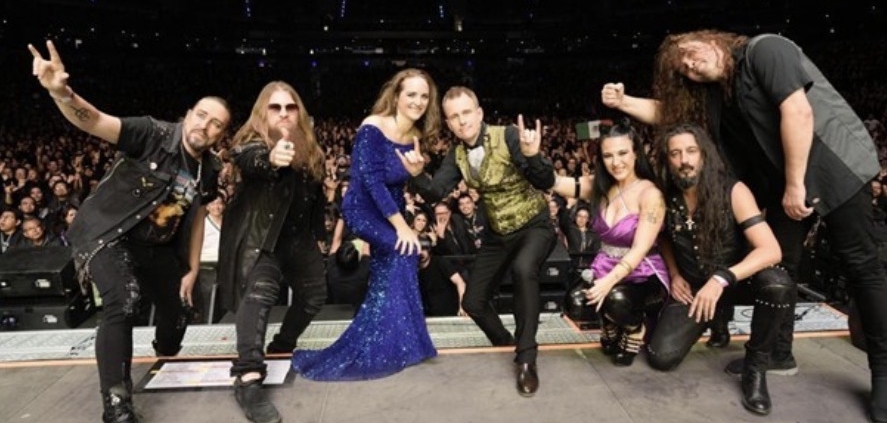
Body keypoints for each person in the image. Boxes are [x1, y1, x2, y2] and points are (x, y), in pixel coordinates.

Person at [601, 29, 887, 421]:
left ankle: (882, 373)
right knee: (781, 269)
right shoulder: (715, 95)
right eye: (683, 68)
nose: (691, 64)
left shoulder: (765, 50)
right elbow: (673, 115)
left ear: (710, 39)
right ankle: (778, 354)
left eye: (691, 52)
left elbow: (798, 112)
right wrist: (624, 102)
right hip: (786, 182)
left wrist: (795, 185)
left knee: (862, 267)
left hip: (835, 167)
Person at [29, 40, 230, 423]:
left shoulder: (209, 170)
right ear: (188, 114)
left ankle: (165, 356)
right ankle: (117, 405)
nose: (205, 126)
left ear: (221, 133)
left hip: (156, 248)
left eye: (216, 123)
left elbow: (197, 219)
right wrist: (62, 93)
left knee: (180, 312)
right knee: (123, 301)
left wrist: (191, 269)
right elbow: (95, 120)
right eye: (202, 115)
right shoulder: (152, 133)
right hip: (109, 235)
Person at [399, 86, 556, 397]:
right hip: (498, 234)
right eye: (454, 116)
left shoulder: (508, 136)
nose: (462, 121)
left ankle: (526, 357)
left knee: (524, 269)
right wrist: (417, 175)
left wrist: (533, 156)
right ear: (448, 123)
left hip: (533, 226)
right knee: (472, 302)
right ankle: (506, 343)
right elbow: (435, 191)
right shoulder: (456, 155)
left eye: (467, 112)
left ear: (480, 113)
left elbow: (544, 180)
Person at [291, 68, 440, 380]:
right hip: (363, 208)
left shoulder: (415, 137)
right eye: (411, 94)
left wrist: (416, 177)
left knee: (395, 264)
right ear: (396, 96)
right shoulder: (373, 126)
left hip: (392, 210)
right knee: (404, 251)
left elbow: (404, 184)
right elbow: (371, 181)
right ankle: (389, 343)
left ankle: (398, 341)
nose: (418, 101)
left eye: (424, 96)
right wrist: (402, 227)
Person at [645, 123, 793, 415]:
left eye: (691, 151)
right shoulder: (664, 195)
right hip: (694, 288)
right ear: (667, 160)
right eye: (675, 153)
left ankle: (755, 369)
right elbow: (663, 238)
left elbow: (771, 250)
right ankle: (714, 318)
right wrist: (674, 273)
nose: (684, 160)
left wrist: (722, 278)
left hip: (736, 282)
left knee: (777, 283)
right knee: (661, 357)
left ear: (704, 154)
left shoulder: (734, 190)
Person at [217, 81, 327, 423]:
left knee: (314, 295)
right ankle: (248, 375)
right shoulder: (253, 144)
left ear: (299, 112)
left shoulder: (311, 149)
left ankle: (281, 346)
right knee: (259, 296)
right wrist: (273, 158)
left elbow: (315, 197)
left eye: (290, 107)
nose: (283, 113)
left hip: (299, 239)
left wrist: (320, 235)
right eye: (275, 107)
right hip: (264, 239)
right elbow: (251, 159)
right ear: (262, 112)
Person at [550, 121, 669, 366]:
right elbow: (557, 183)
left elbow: (640, 248)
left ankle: (634, 328)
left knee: (616, 300)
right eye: (608, 155)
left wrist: (607, 282)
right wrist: (530, 156)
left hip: (642, 272)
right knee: (575, 302)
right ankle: (611, 322)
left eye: (623, 153)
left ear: (636, 153)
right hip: (604, 265)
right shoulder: (600, 186)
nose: (616, 162)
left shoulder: (650, 194)